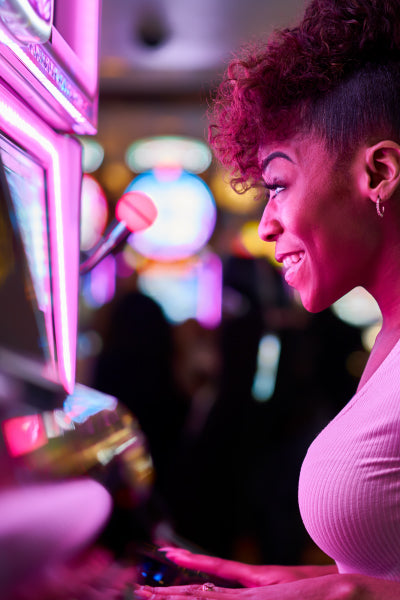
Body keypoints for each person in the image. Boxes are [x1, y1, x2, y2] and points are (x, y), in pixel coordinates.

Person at [134, 0, 400, 598]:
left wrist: (339, 594)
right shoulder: (390, 339)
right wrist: (291, 582)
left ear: (379, 172)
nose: (267, 225)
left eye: (278, 185)